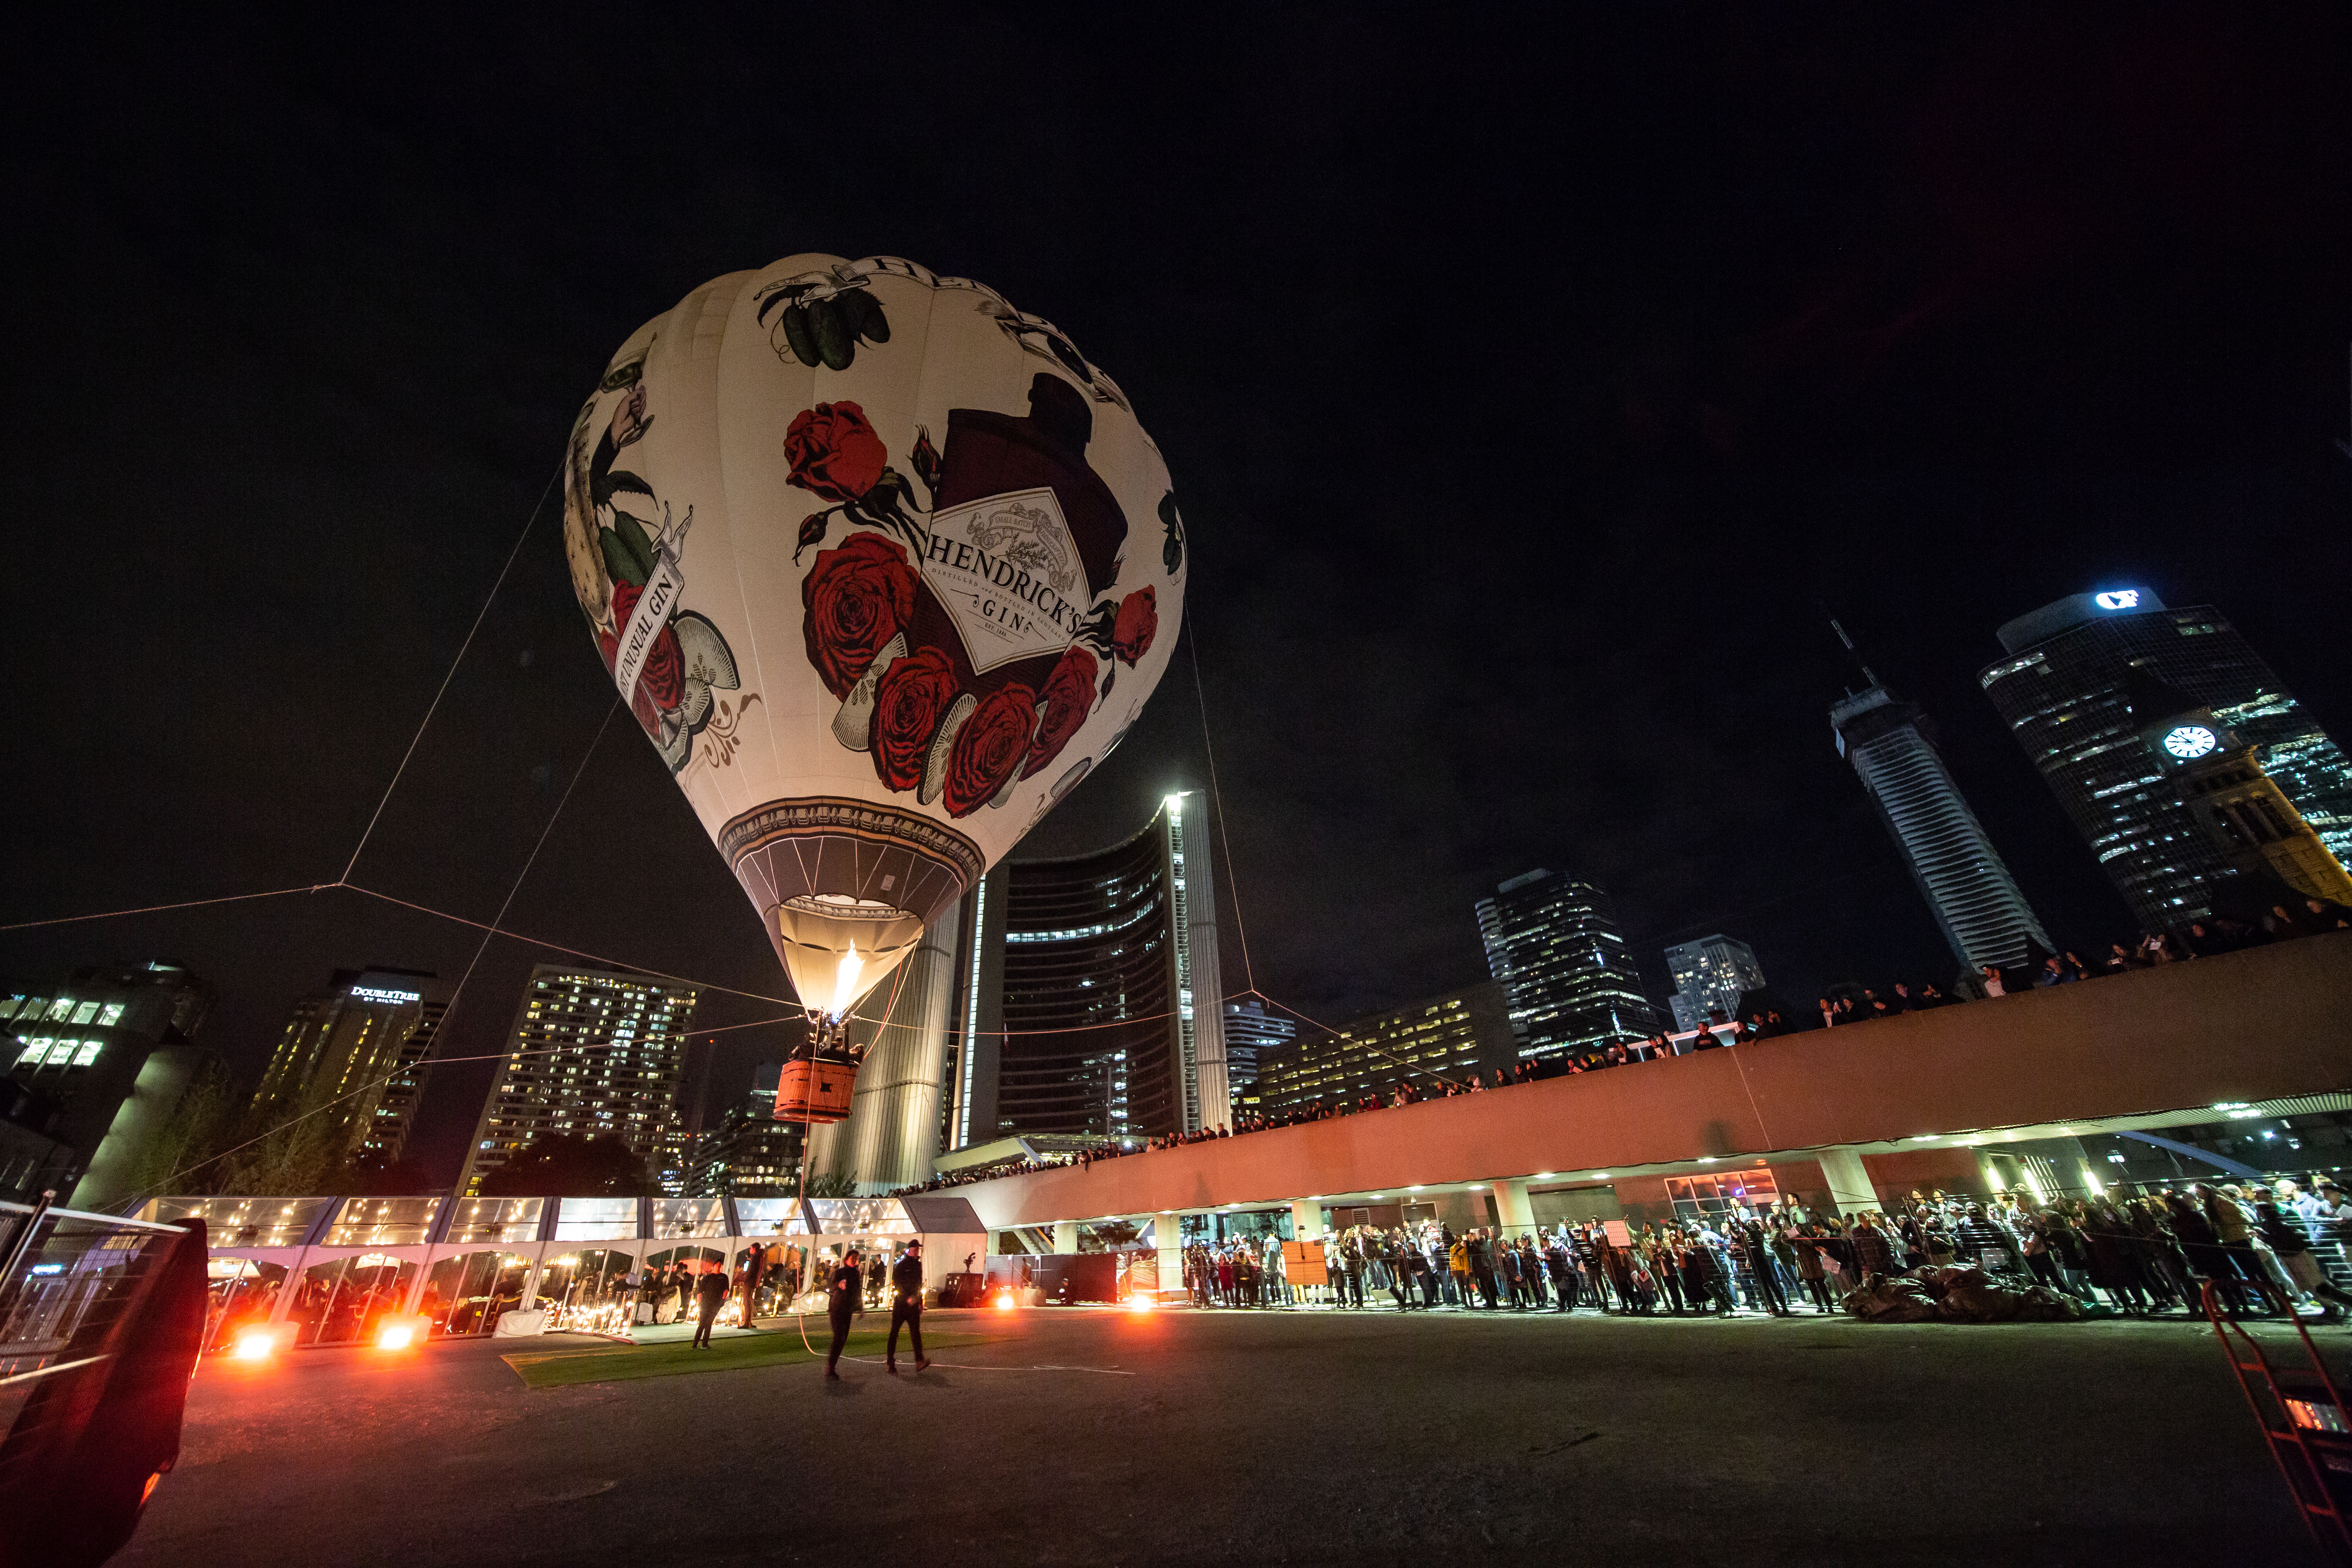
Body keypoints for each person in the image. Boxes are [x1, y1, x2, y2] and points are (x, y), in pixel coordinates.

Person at [886, 1241, 931, 1372]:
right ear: (910, 1249)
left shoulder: (918, 1265)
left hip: (913, 1306)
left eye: (918, 1249)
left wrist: (920, 1302)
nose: (918, 1251)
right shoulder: (902, 1265)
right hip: (901, 1305)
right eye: (916, 1248)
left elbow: (918, 1285)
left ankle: (919, 1361)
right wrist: (907, 1298)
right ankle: (890, 1361)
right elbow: (898, 1284)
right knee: (894, 1333)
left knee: (916, 1333)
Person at [824, 1248, 862, 1380]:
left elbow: (857, 1292)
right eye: (853, 1258)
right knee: (839, 1337)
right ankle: (831, 1367)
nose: (856, 1260)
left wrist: (861, 1308)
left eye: (857, 1258)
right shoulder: (840, 1272)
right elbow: (832, 1286)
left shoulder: (857, 1274)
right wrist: (839, 1285)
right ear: (847, 1259)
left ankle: (832, 1366)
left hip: (848, 1309)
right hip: (838, 1308)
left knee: (843, 1338)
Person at [690, 1263, 731, 1349]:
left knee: (708, 1323)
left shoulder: (724, 1277)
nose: (719, 1267)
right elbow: (700, 1291)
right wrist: (700, 1302)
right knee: (703, 1324)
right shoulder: (707, 1278)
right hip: (706, 1303)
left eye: (721, 1266)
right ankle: (696, 1343)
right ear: (714, 1267)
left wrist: (722, 1301)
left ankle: (703, 1343)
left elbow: (726, 1291)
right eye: (718, 1265)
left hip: (716, 1304)